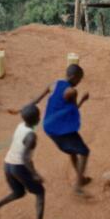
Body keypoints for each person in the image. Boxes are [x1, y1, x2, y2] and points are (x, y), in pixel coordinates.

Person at [0, 101, 55, 219]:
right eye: (38, 116)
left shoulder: (20, 126)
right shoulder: (31, 136)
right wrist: (35, 174)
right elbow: (25, 158)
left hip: (8, 164)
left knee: (18, 193)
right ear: (37, 119)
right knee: (40, 193)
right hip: (19, 167)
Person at [43, 64, 91, 193]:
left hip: (52, 129)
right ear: (73, 77)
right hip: (62, 130)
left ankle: (81, 178)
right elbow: (75, 109)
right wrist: (82, 100)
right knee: (85, 152)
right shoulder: (71, 91)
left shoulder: (56, 84)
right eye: (79, 79)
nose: (79, 82)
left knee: (72, 151)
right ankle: (78, 186)